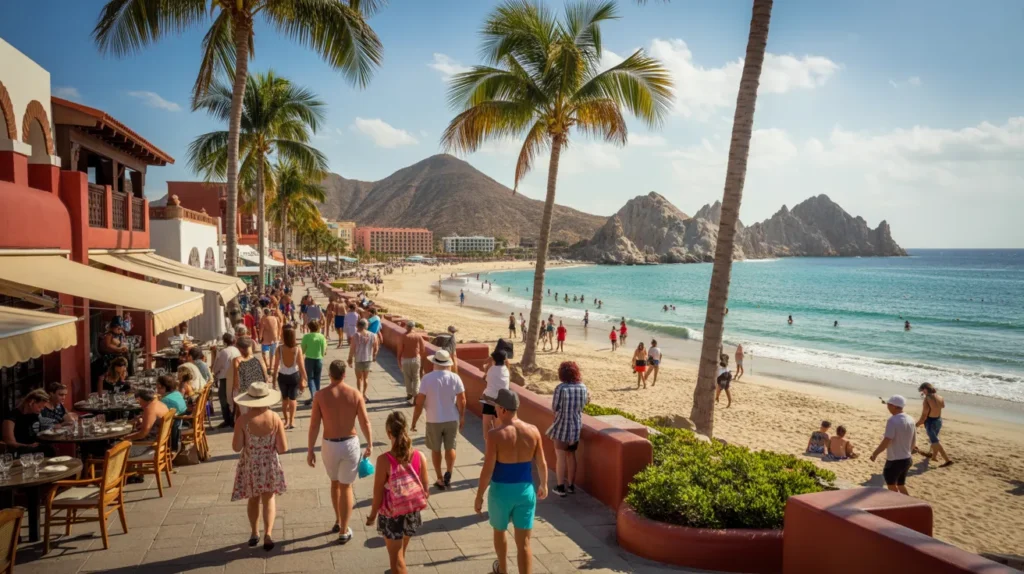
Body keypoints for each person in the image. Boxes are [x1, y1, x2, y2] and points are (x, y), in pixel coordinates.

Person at [475, 389, 548, 574]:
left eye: (496, 407)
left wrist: (479, 495)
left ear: (503, 409)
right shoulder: (533, 431)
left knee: (499, 532)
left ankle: (503, 570)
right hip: (525, 490)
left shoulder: (495, 435)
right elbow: (541, 462)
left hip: (501, 492)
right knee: (524, 543)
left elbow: (488, 469)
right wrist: (544, 484)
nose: (495, 410)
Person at [307, 360, 373, 544]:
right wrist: (370, 443)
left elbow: (314, 425)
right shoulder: (355, 394)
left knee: (334, 483)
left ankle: (338, 520)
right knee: (346, 487)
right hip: (350, 443)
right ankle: (344, 530)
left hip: (330, 445)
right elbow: (365, 421)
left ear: (330, 374)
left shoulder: (320, 396)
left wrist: (310, 449)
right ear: (344, 374)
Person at [365, 412, 429, 574]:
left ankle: (399, 568)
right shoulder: (420, 456)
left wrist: (372, 515)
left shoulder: (384, 460)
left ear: (389, 433)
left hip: (392, 514)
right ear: (405, 429)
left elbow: (378, 493)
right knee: (400, 552)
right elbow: (426, 490)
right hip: (412, 511)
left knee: (396, 558)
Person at [232, 383, 288, 551]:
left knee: (253, 498)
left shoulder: (243, 420)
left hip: (251, 465)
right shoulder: (275, 418)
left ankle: (254, 532)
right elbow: (283, 448)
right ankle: (268, 533)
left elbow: (236, 447)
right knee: (269, 498)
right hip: (269, 463)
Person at [411, 350, 466, 491]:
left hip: (433, 418)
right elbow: (462, 400)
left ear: (434, 362)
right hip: (452, 418)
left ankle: (440, 478)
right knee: (451, 447)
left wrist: (414, 421)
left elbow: (419, 402)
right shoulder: (455, 377)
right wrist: (462, 416)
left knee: (436, 449)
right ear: (448, 363)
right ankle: (449, 472)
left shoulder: (427, 378)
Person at [548, 362, 588, 497]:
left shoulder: (561, 388)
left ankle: (560, 487)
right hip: (576, 427)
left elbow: (555, 407)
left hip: (561, 426)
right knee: (571, 455)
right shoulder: (582, 387)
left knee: (560, 457)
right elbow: (584, 404)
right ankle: (571, 485)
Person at [870, 395, 917, 495]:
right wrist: (910, 451)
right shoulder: (911, 419)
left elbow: (887, 441)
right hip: (907, 459)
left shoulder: (892, 420)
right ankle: (909, 503)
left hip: (895, 461)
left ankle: (898, 503)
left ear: (894, 406)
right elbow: (914, 440)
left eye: (889, 405)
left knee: (891, 486)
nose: (887, 406)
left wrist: (875, 453)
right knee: (901, 485)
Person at [274, 327, 308, 430]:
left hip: (282, 376)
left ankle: (286, 421)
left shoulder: (279, 349)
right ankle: (292, 421)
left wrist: (274, 379)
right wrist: (304, 378)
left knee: (284, 399)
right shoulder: (297, 349)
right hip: (294, 375)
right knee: (293, 399)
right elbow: (301, 366)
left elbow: (276, 365)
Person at [125, 389, 170, 466]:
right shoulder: (161, 404)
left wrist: (126, 438)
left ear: (140, 399)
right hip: (159, 441)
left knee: (114, 449)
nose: (139, 404)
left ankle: (126, 472)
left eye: (138, 402)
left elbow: (143, 434)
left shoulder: (150, 409)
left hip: (149, 445)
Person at [2, 389, 49, 455]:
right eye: (39, 406)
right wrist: (28, 446)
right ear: (32, 402)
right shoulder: (11, 417)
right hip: (20, 451)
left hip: (35, 448)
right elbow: (10, 442)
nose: (42, 409)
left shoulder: (34, 415)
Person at [916, 383, 953, 467]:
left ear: (925, 389)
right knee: (934, 439)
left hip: (930, 421)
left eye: (922, 391)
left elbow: (924, 415)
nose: (922, 393)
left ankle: (947, 460)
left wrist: (917, 424)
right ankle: (933, 456)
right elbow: (942, 406)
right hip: (938, 420)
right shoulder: (940, 397)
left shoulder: (927, 399)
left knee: (935, 441)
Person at [233, 338, 269, 418]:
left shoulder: (238, 360)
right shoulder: (258, 358)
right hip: (259, 391)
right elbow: (266, 377)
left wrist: (234, 394)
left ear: (240, 349)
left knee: (246, 416)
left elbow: (236, 381)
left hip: (245, 393)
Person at [213, 332, 242, 428]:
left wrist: (215, 371)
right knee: (233, 398)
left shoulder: (224, 352)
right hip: (235, 376)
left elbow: (217, 367)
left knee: (224, 400)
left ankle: (228, 419)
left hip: (225, 377)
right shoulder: (236, 350)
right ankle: (233, 418)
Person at [482, 350, 511, 441]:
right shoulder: (506, 371)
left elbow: (485, 375)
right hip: (502, 401)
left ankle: (487, 443)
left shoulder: (491, 370)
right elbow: (507, 364)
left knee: (487, 424)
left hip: (489, 399)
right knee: (499, 425)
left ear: (494, 360)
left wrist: (489, 362)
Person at [347, 318, 380, 400]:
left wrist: (350, 358)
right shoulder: (373, 335)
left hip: (358, 359)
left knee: (359, 378)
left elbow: (352, 348)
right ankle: (364, 394)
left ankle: (359, 394)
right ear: (366, 326)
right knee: (366, 378)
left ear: (358, 326)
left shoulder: (356, 335)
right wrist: (374, 355)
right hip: (368, 359)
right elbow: (376, 347)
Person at [301, 321, 327, 407]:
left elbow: (302, 349)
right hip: (319, 359)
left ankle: (314, 396)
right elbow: (323, 350)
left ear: (309, 328)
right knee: (317, 378)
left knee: (310, 378)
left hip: (309, 359)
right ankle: (317, 396)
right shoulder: (321, 336)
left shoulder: (306, 337)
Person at [397, 322, 425, 401]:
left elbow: (400, 349)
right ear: (413, 327)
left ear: (406, 327)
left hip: (406, 359)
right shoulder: (418, 336)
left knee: (407, 377)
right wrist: (420, 358)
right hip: (415, 359)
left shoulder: (403, 336)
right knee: (416, 377)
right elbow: (422, 349)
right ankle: (416, 393)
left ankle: (409, 393)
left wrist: (398, 360)